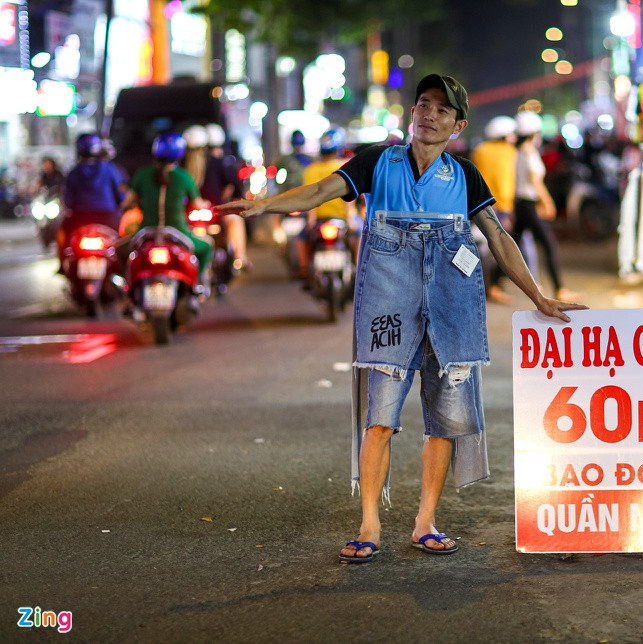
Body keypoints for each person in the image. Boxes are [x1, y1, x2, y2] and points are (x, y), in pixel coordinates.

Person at [216, 73, 587, 563]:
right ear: (412, 113)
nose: (429, 114)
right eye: (423, 104)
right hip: (389, 302)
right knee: (380, 418)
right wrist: (265, 205)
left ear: (458, 125)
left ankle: (425, 521)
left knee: (445, 421)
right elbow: (320, 192)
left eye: (442, 109)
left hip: (451, 302)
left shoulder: (465, 176)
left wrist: (538, 296)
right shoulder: (378, 162)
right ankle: (369, 524)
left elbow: (498, 237)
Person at [121, 132, 213, 287]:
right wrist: (208, 205)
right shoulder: (184, 177)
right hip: (179, 234)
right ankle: (198, 284)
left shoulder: (142, 174)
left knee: (118, 249)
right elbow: (198, 205)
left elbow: (127, 202)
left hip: (146, 233)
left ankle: (126, 285)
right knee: (208, 245)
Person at [511, 111, 580, 302]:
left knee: (511, 246)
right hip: (529, 204)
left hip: (522, 204)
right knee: (548, 244)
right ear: (533, 133)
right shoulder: (528, 152)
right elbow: (535, 180)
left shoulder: (519, 151)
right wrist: (547, 202)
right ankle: (559, 289)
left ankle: (493, 283)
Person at [471, 115, 518, 304]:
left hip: (479, 203)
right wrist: (507, 209)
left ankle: (485, 285)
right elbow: (504, 182)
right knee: (500, 249)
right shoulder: (508, 152)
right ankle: (493, 287)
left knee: (482, 247)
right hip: (500, 205)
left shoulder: (480, 150)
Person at [297, 128, 356, 278]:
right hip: (342, 218)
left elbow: (310, 197)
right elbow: (350, 196)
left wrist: (311, 220)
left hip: (319, 220)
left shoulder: (311, 170)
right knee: (360, 234)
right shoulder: (346, 165)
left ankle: (304, 269)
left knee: (302, 238)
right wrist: (350, 219)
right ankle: (359, 266)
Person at [57, 133, 125, 263]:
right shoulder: (111, 169)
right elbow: (121, 196)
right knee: (121, 242)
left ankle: (63, 264)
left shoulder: (73, 172)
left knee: (63, 232)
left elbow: (67, 202)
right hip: (109, 218)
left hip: (79, 219)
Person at [200, 123, 250, 270]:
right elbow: (234, 183)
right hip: (216, 209)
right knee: (235, 220)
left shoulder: (188, 164)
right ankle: (240, 258)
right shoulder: (222, 162)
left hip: (196, 210)